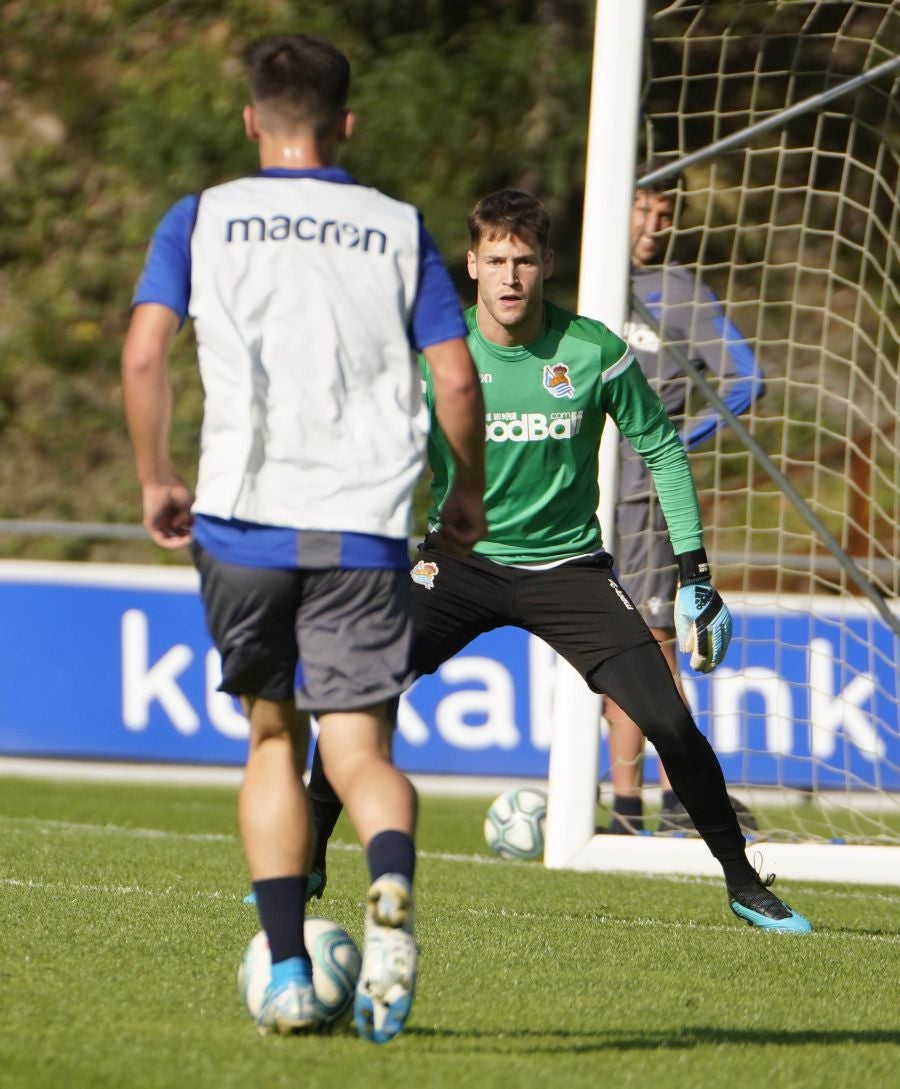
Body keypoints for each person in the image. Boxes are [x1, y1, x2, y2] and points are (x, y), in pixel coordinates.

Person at [304, 188, 813, 936]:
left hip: (570, 570)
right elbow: (377, 452)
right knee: (360, 692)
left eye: (524, 260)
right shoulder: (436, 354)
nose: (510, 276)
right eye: (496, 261)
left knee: (671, 721)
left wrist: (695, 575)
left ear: (546, 263)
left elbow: (663, 448)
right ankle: (308, 855)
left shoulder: (592, 350)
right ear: (472, 265)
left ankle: (743, 881)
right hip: (456, 565)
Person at [121, 33, 486, 1043]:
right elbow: (457, 378)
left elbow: (145, 355)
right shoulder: (397, 226)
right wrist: (465, 490)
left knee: (272, 736)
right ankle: (390, 890)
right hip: (363, 525)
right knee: (360, 747)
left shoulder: (202, 217)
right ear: (346, 124)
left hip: (244, 519)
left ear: (252, 120)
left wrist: (156, 476)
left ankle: (287, 969)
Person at [602, 166, 766, 835]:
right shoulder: (587, 284)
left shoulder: (680, 292)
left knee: (650, 643)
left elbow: (746, 380)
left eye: (665, 214)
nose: (653, 226)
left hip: (642, 500)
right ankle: (624, 805)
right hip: (580, 497)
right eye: (642, 209)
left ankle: (674, 799)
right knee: (606, 647)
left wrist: (672, 441)